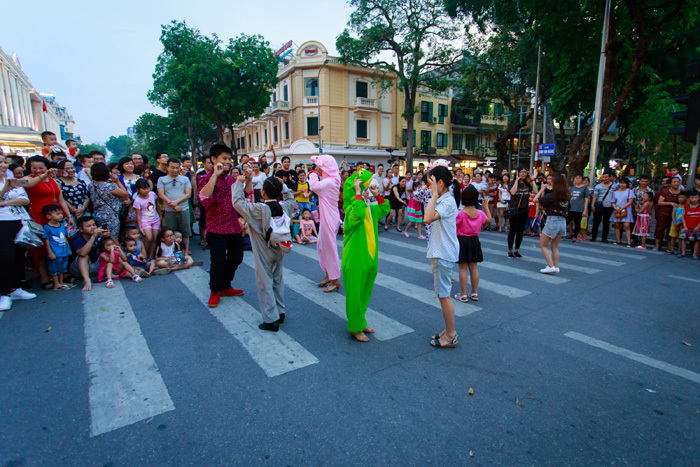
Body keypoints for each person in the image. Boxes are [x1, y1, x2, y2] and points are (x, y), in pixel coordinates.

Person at [232, 173, 296, 331]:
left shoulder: (258, 209)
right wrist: (284, 186)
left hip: (263, 251)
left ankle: (270, 319)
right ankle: (280, 312)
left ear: (263, 193)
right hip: (280, 249)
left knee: (264, 283)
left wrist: (239, 183)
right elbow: (291, 199)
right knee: (278, 279)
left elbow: (237, 203)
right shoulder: (284, 207)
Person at [341, 169, 389, 342]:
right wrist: (358, 193)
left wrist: (377, 195)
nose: (367, 192)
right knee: (355, 295)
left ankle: (360, 321)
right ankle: (354, 327)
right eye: (365, 189)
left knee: (365, 293)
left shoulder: (369, 207)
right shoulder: (350, 210)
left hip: (369, 258)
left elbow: (385, 209)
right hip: (355, 260)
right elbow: (358, 214)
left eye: (367, 189)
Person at [198, 144, 245, 307]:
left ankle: (225, 284)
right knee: (217, 261)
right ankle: (215, 290)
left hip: (233, 226)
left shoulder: (232, 179)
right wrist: (214, 175)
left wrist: (249, 180)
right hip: (216, 227)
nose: (227, 162)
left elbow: (243, 197)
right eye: (224, 158)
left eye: (228, 159)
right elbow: (204, 200)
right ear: (213, 159)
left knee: (237, 257)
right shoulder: (204, 179)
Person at [22, 156, 74, 288]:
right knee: (41, 247)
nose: (38, 170)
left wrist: (68, 215)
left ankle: (58, 274)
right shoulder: (28, 179)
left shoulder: (53, 181)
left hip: (55, 215)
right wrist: (42, 175)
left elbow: (61, 199)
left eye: (41, 167)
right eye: (34, 168)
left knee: (57, 243)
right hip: (38, 215)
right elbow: (28, 185)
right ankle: (43, 276)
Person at [424, 165, 460, 348]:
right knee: (443, 294)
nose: (428, 187)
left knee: (444, 295)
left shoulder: (445, 201)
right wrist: (433, 194)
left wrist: (435, 195)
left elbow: (427, 218)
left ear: (440, 182)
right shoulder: (446, 199)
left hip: (442, 253)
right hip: (443, 252)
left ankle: (451, 335)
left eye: (431, 183)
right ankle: (448, 330)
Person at [0, 156, 36, 310]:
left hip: (19, 220)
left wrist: (5, 202)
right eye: (0, 163)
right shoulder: (7, 184)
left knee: (19, 254)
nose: (3, 165)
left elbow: (25, 200)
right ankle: (4, 293)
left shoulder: (12, 180)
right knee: (6, 257)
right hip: (2, 222)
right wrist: (5, 191)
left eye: (4, 162)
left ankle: (16, 288)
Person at [308, 154, 342, 293]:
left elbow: (314, 186)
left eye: (319, 166)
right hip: (329, 217)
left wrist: (312, 174)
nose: (317, 168)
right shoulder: (331, 179)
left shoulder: (330, 182)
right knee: (322, 246)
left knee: (329, 248)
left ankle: (335, 280)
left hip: (329, 218)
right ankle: (329, 275)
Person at [454, 186, 491, 303]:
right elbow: (489, 220)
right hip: (475, 240)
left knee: (462, 267)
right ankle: (474, 292)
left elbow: (452, 226)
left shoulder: (460, 214)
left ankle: (463, 294)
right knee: (474, 267)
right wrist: (485, 207)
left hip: (462, 241)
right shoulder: (480, 213)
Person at [533, 174, 570, 274]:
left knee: (543, 244)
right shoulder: (566, 195)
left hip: (553, 220)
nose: (550, 182)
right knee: (554, 246)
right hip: (562, 221)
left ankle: (550, 266)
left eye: (552, 181)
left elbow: (535, 200)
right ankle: (556, 266)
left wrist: (541, 190)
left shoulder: (553, 195)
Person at [158, 158, 192, 255]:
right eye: (172, 167)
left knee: (185, 232)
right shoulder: (162, 179)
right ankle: (171, 253)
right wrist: (172, 204)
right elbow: (161, 194)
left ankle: (185, 253)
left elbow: (188, 194)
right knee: (170, 233)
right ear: (167, 167)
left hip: (184, 208)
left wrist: (176, 202)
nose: (175, 170)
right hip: (169, 210)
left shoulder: (184, 179)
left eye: (177, 168)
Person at [89, 163, 129, 239]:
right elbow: (125, 195)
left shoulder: (91, 184)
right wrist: (117, 182)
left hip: (97, 214)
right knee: (111, 239)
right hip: (110, 217)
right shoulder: (108, 186)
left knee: (100, 238)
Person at [41, 204, 73, 290]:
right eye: (58, 214)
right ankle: (56, 283)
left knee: (62, 267)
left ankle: (61, 282)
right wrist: (50, 252)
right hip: (55, 251)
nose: (61, 216)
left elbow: (64, 236)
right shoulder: (47, 228)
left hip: (63, 250)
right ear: (49, 216)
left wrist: (68, 248)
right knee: (54, 268)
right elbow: (46, 240)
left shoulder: (62, 225)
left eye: (61, 213)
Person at [507, 166, 536, 259]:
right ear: (517, 173)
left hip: (524, 210)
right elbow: (513, 192)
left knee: (520, 231)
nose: (523, 174)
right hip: (514, 210)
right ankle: (510, 250)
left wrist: (532, 180)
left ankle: (517, 250)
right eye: (521, 172)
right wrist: (516, 180)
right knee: (512, 231)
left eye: (525, 172)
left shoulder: (527, 184)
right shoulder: (512, 183)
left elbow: (535, 191)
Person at [133, 179, 160, 259]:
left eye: (147, 188)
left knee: (154, 238)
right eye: (143, 188)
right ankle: (144, 254)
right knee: (149, 238)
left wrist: (160, 215)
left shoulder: (152, 194)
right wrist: (140, 226)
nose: (146, 190)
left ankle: (150, 256)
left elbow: (156, 204)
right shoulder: (137, 200)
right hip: (145, 220)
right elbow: (138, 215)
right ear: (138, 190)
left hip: (155, 219)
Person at [590, 170, 618, 243]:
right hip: (599, 206)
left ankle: (604, 238)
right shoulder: (598, 186)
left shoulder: (614, 186)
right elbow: (595, 196)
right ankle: (594, 236)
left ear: (609, 178)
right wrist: (592, 205)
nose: (605, 178)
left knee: (606, 223)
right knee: (596, 222)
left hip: (609, 206)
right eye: (603, 177)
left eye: (606, 177)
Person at [655, 177, 681, 251]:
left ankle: (670, 246)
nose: (676, 183)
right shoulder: (665, 192)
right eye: (674, 182)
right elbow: (660, 202)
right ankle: (657, 245)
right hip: (663, 213)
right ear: (670, 184)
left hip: (674, 214)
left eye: (678, 182)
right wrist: (670, 203)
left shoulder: (681, 192)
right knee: (660, 228)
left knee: (671, 229)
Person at [610, 177, 636, 247]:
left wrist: (622, 207)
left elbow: (630, 202)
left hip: (626, 210)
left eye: (624, 183)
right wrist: (615, 207)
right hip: (617, 210)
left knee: (626, 226)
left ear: (627, 184)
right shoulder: (615, 192)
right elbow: (613, 202)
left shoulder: (630, 191)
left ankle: (629, 241)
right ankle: (618, 240)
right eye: (621, 183)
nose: (622, 185)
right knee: (617, 225)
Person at [567, 174, 589, 243]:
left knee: (577, 223)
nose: (577, 180)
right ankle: (566, 233)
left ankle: (575, 235)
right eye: (576, 178)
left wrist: (585, 210)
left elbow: (586, 200)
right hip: (571, 208)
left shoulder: (585, 188)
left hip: (579, 209)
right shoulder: (572, 188)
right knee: (567, 220)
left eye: (579, 178)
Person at [680, 190, 700, 259]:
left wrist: (698, 227)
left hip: (696, 227)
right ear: (689, 199)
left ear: (698, 198)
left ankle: (694, 254)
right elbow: (683, 216)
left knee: (697, 240)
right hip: (687, 227)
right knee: (684, 239)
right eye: (692, 198)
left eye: (696, 197)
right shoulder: (686, 207)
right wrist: (685, 226)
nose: (694, 199)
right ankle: (683, 252)